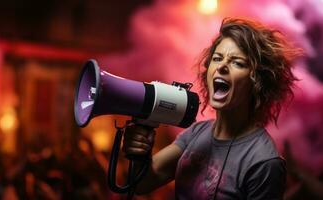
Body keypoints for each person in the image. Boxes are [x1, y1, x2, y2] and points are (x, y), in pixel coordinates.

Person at [123, 18, 302, 199]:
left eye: (237, 63)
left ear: (258, 82)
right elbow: (142, 183)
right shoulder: (196, 133)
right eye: (217, 58)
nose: (222, 66)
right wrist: (140, 154)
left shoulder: (264, 161)